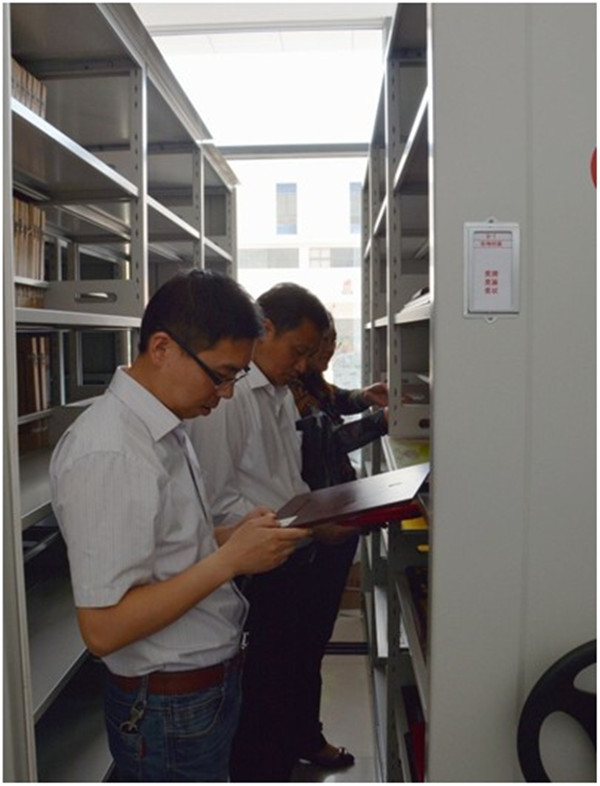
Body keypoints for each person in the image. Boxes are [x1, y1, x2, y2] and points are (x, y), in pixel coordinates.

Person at [49, 270, 307, 783]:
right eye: (221, 374)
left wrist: (234, 539)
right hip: (168, 707)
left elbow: (164, 549)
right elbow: (103, 629)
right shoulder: (112, 453)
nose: (227, 394)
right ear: (162, 348)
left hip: (199, 691)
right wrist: (229, 561)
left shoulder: (166, 425)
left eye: (236, 377)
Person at [189, 282, 353, 782]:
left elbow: (285, 480)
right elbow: (217, 505)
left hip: (290, 552)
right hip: (260, 566)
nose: (302, 365)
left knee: (288, 680)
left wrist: (314, 516)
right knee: (263, 695)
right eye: (297, 350)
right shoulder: (229, 399)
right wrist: (301, 526)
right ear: (264, 330)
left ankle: (284, 758)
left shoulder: (277, 391)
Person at [290, 312, 389, 768]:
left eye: (331, 342)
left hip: (333, 520)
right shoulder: (285, 387)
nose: (327, 352)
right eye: (320, 344)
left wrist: (364, 397)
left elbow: (334, 401)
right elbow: (325, 444)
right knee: (306, 643)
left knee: (313, 640)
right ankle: (304, 739)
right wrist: (381, 421)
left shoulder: (310, 380)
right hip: (314, 531)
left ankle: (302, 735)